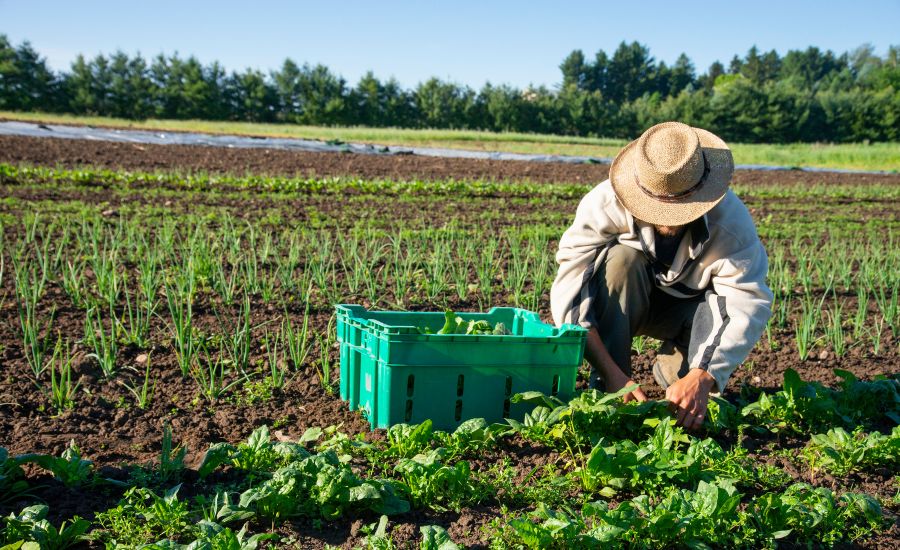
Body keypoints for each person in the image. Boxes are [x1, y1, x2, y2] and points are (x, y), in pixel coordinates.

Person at [550, 121, 773, 430]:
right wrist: (614, 376)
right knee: (620, 261)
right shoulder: (603, 204)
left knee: (689, 401)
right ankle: (609, 387)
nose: (668, 220)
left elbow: (745, 302)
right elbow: (571, 294)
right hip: (628, 300)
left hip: (687, 312)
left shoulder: (731, 224)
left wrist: (703, 376)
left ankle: (676, 368)